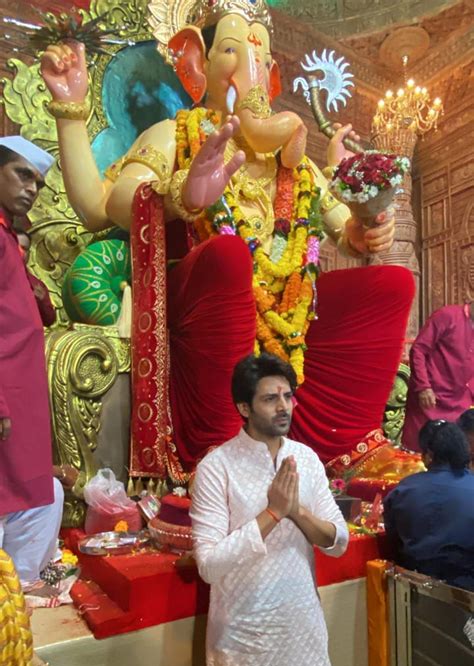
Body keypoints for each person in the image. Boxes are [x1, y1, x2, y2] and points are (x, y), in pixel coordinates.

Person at [40, 0, 414, 481]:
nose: (249, 68)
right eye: (234, 50)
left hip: (286, 318)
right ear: (197, 63)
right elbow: (104, 206)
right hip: (204, 305)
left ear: (273, 75)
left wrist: (365, 228)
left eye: (259, 54)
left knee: (393, 284)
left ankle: (349, 442)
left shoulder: (293, 164)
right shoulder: (180, 133)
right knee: (228, 255)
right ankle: (226, 450)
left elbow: (346, 231)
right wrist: (182, 193)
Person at [191, 353, 349, 666]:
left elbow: (337, 539)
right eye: (270, 398)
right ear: (243, 407)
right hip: (243, 637)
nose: (284, 406)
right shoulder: (216, 468)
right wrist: (271, 515)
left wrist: (295, 509)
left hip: (299, 630)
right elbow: (210, 563)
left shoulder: (305, 459)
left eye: (287, 395)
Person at [0, 136, 65, 586]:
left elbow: (43, 312)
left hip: (21, 401)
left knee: (29, 493)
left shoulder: (7, 240)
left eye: (38, 183)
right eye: (22, 174)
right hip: (5, 399)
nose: (32, 189)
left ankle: (14, 606)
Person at [384, 420, 474, 591]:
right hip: (467, 591)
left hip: (414, 589)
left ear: (429, 455)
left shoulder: (403, 490)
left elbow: (393, 541)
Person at [402, 303, 474, 451]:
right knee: (420, 454)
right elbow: (418, 351)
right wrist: (423, 387)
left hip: (460, 402)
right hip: (430, 398)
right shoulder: (447, 315)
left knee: (453, 455)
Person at [15, 229, 56, 327]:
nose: (20, 251)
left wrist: (41, 301)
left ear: (28, 254)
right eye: (15, 245)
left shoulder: (36, 285)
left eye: (24, 248)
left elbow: (49, 320)